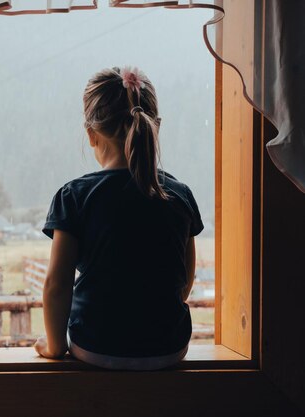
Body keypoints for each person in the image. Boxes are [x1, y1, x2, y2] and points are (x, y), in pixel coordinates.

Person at [34, 67, 203, 370]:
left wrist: (54, 347)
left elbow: (57, 286)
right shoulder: (180, 196)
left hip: (96, 346)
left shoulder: (74, 196)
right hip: (169, 347)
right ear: (156, 127)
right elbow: (183, 281)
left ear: (91, 134)